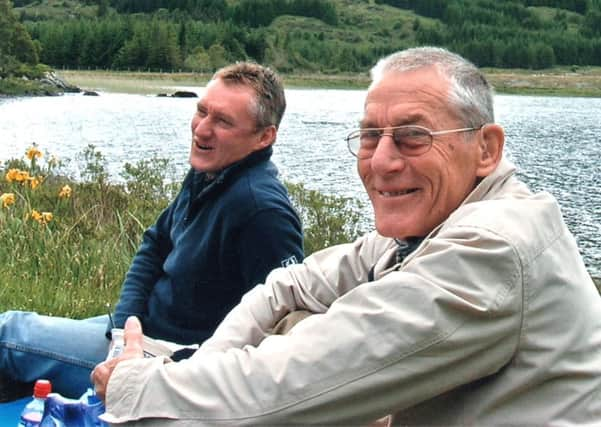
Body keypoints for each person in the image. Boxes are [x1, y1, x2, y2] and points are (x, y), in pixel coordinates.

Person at [92, 47, 601, 425]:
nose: (381, 161)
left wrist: (137, 383)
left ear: (486, 149)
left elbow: (289, 385)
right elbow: (285, 286)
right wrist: (204, 361)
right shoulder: (431, 223)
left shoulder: (492, 246)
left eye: (412, 137)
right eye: (369, 136)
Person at [0, 61, 304, 400]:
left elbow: (277, 331)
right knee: (18, 358)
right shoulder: (211, 174)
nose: (202, 129)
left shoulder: (262, 211)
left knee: (9, 333)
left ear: (264, 136)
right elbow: (155, 244)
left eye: (223, 122)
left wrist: (171, 367)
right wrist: (124, 329)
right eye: (202, 111)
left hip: (172, 364)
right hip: (137, 336)